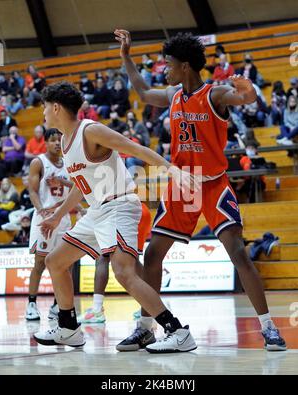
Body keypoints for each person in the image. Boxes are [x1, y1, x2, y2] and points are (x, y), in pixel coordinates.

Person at [114, 29, 286, 352]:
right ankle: (146, 328)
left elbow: (244, 98)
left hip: (214, 184)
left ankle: (269, 328)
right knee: (152, 254)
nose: (165, 69)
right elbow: (141, 90)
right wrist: (125, 56)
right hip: (183, 185)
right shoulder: (173, 96)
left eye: (169, 64)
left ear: (186, 66)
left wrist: (250, 94)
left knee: (238, 252)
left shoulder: (215, 94)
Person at [33, 81, 197, 353]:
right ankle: (68, 328)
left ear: (56, 107)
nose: (43, 113)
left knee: (123, 272)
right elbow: (80, 186)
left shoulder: (91, 130)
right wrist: (57, 215)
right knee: (56, 261)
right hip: (97, 210)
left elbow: (136, 149)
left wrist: (172, 169)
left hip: (119, 205)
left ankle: (176, 331)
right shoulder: (64, 141)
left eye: (44, 107)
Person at [26, 128, 73, 321]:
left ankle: (57, 305)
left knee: (66, 264)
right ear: (45, 142)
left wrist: (63, 181)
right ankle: (31, 304)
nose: (56, 143)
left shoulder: (69, 164)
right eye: (53, 140)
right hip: (44, 219)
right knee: (39, 263)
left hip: (63, 218)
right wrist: (41, 209)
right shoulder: (39, 162)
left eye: (59, 140)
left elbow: (77, 188)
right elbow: (33, 191)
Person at [77, 203, 151, 324]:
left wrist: (89, 214)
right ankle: (149, 306)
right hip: (140, 210)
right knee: (134, 258)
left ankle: (96, 310)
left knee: (102, 257)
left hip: (119, 212)